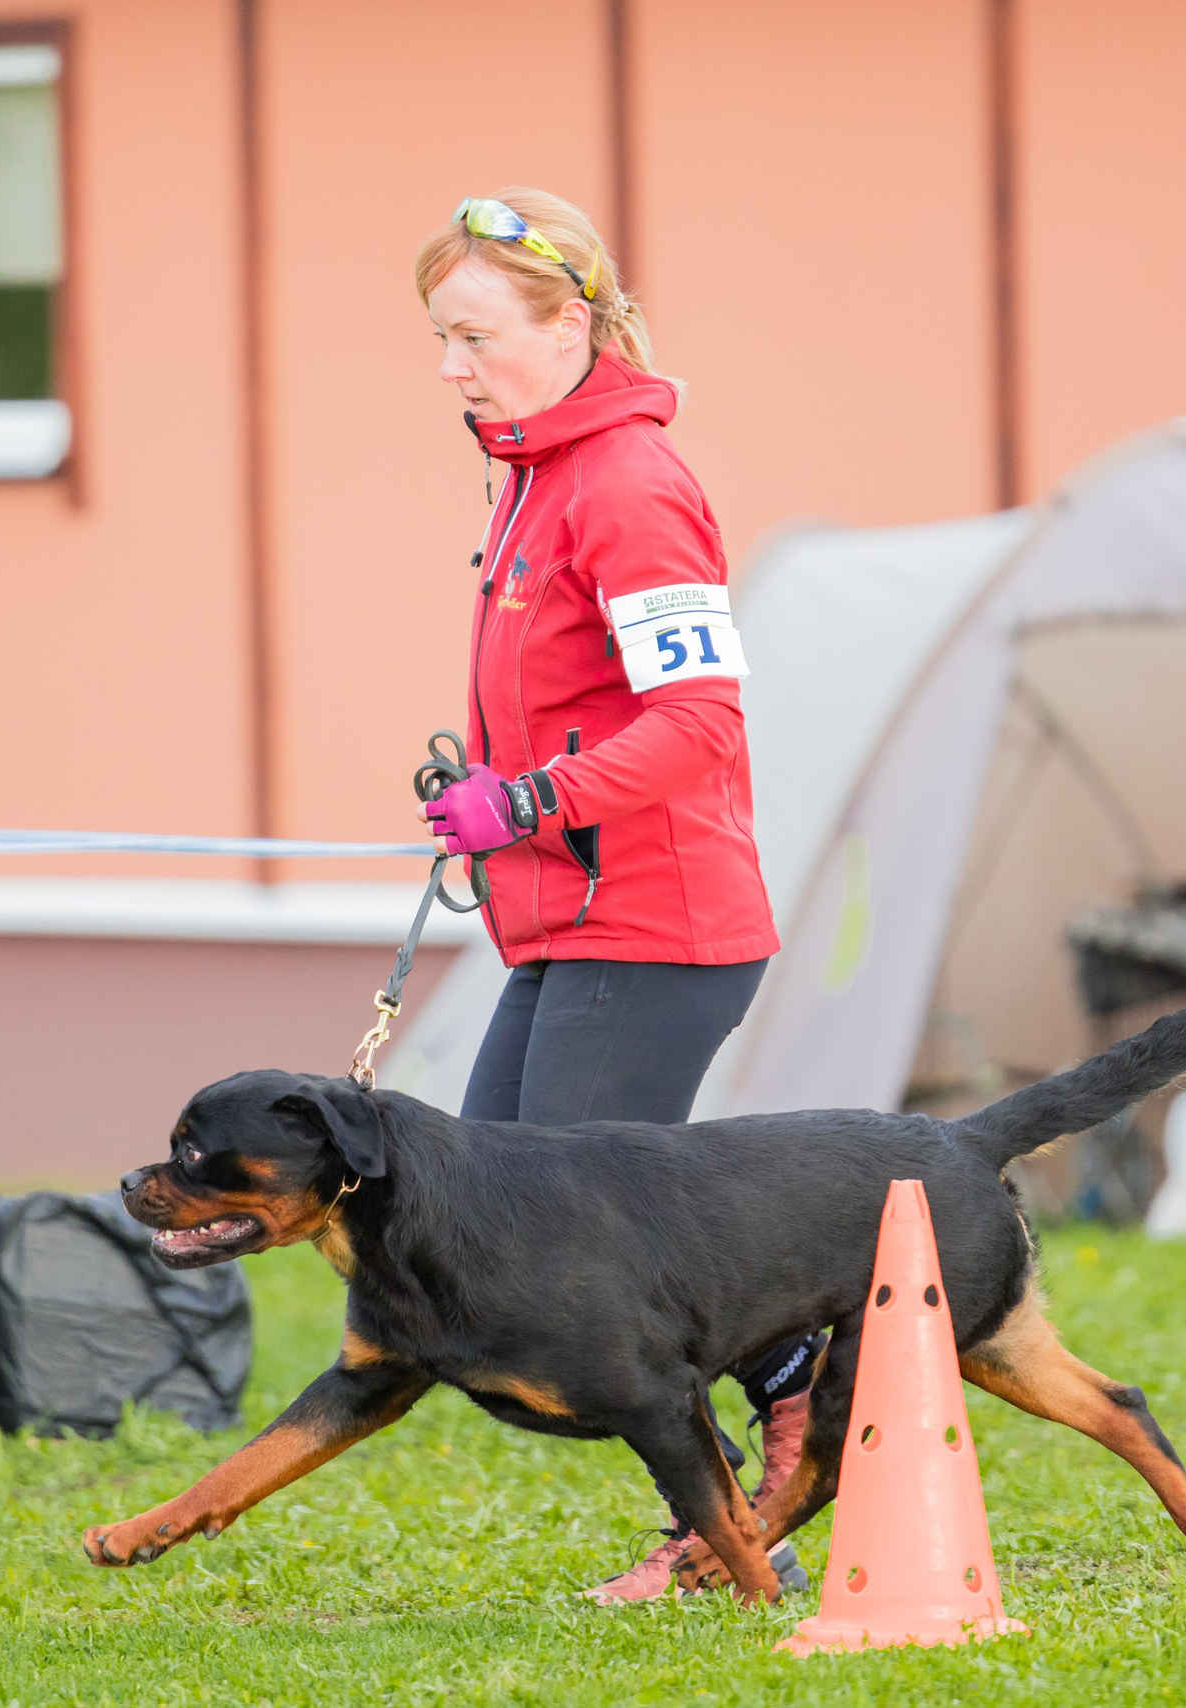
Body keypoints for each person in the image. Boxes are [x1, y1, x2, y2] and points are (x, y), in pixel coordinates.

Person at [411, 188, 818, 1601]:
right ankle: (787, 1380)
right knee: (483, 1227)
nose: (452, 367)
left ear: (567, 322)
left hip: (658, 927)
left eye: (473, 335)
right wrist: (492, 788)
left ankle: (754, 1462)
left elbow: (700, 721)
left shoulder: (630, 484)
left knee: (565, 1256)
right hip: (569, 920)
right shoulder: (529, 477)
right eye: (440, 340)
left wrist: (522, 801)